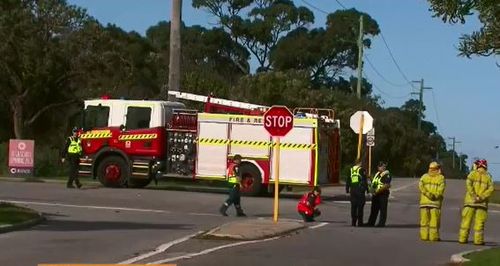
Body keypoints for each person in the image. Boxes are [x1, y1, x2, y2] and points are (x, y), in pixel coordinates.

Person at [459, 159, 494, 245]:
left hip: (470, 202)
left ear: (478, 165)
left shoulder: (473, 174)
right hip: (482, 204)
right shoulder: (488, 176)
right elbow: (491, 189)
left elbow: (468, 184)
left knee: (466, 222)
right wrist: (481, 197)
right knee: (479, 224)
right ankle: (478, 241)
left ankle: (463, 239)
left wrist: (474, 195)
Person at [418, 161, 446, 241]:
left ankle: (424, 236)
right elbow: (441, 190)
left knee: (424, 221)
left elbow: (420, 186)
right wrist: (434, 196)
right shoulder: (441, 178)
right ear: (437, 169)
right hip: (435, 203)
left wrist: (427, 194)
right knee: (434, 221)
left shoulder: (424, 176)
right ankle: (433, 237)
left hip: (424, 203)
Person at [367, 161, 392, 227]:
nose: (383, 167)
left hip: (382, 194)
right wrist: (370, 178)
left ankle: (381, 223)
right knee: (374, 209)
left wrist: (377, 191)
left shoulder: (387, 174)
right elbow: (375, 183)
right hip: (376, 194)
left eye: (384, 166)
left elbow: (386, 185)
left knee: (383, 209)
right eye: (381, 166)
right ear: (378, 167)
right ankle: (371, 223)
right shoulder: (377, 174)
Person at [346, 159, 368, 227]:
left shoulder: (351, 170)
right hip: (360, 190)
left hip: (353, 190)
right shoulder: (362, 170)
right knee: (360, 206)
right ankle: (360, 223)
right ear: (360, 163)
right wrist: (367, 189)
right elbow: (364, 180)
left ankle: (353, 222)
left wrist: (347, 189)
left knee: (353, 207)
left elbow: (348, 180)